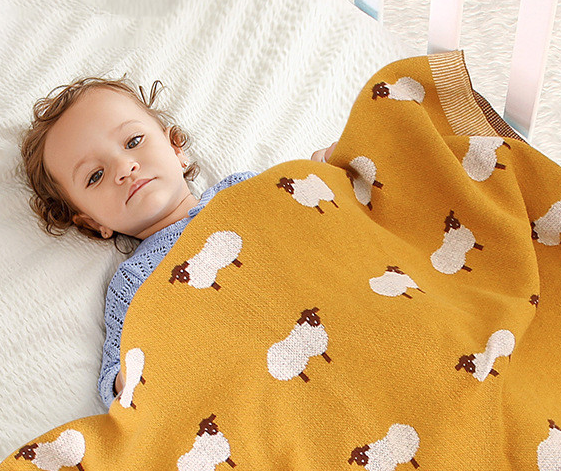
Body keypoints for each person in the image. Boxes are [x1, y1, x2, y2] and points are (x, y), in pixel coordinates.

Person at [20, 76, 336, 406]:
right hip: (257, 390)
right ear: (92, 221)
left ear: (176, 149)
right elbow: (115, 385)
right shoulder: (133, 281)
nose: (124, 167)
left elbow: (314, 224)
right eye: (95, 176)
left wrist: (326, 177)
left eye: (133, 141)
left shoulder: (242, 192)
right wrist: (130, 376)